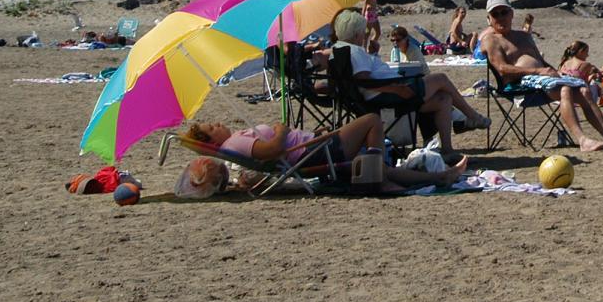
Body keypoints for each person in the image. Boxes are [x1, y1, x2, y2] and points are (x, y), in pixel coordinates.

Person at [478, 0, 603, 151]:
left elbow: (542, 62)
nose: (500, 17)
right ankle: (583, 141)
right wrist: (539, 71)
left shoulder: (524, 36)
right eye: (495, 14)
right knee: (565, 89)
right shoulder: (491, 40)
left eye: (504, 12)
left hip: (543, 80)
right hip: (519, 86)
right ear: (489, 19)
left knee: (584, 90)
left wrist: (557, 72)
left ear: (511, 14)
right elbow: (502, 68)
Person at [177, 113, 469, 196]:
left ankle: (440, 177)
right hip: (312, 154)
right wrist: (281, 129)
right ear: (211, 140)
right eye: (212, 127)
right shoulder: (235, 144)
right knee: (371, 121)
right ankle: (379, 176)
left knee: (372, 164)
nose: (218, 124)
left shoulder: (234, 142)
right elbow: (275, 150)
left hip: (311, 150)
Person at [330, 11, 488, 157]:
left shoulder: (340, 50)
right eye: (363, 31)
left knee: (443, 98)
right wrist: (396, 89)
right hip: (389, 96)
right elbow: (364, 80)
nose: (364, 35)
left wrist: (373, 55)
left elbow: (363, 78)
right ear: (356, 33)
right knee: (440, 79)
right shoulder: (355, 51)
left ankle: (447, 150)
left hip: (385, 94)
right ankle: (472, 116)